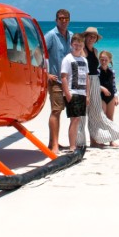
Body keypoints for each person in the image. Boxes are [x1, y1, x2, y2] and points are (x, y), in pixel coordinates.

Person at [81, 27, 119, 147]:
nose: (91, 38)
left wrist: (116, 95)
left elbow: (113, 83)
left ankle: (95, 140)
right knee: (84, 115)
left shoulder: (95, 51)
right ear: (85, 36)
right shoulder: (82, 50)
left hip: (94, 82)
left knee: (95, 114)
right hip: (86, 81)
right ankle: (81, 142)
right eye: (89, 36)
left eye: (94, 37)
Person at [44, 8, 72, 152]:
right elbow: (37, 53)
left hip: (69, 81)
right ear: (56, 20)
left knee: (72, 112)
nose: (64, 21)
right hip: (55, 80)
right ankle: (54, 144)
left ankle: (58, 143)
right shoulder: (51, 35)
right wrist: (46, 74)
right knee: (56, 111)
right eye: (61, 18)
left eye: (66, 18)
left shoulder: (71, 36)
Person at [60, 33, 89, 150]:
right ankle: (72, 146)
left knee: (78, 120)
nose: (77, 47)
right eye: (75, 44)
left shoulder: (84, 60)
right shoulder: (67, 59)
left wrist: (88, 95)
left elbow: (87, 78)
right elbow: (63, 77)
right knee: (75, 119)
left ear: (83, 46)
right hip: (72, 92)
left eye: (80, 45)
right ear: (72, 44)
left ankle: (74, 144)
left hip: (82, 93)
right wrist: (67, 94)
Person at [98, 50, 119, 121]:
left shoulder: (112, 72)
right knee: (102, 119)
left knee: (110, 119)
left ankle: (110, 132)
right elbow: (93, 85)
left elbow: (113, 85)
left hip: (111, 97)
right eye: (102, 60)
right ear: (99, 60)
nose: (104, 62)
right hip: (101, 97)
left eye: (106, 60)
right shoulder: (97, 71)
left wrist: (116, 96)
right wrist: (102, 89)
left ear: (109, 60)